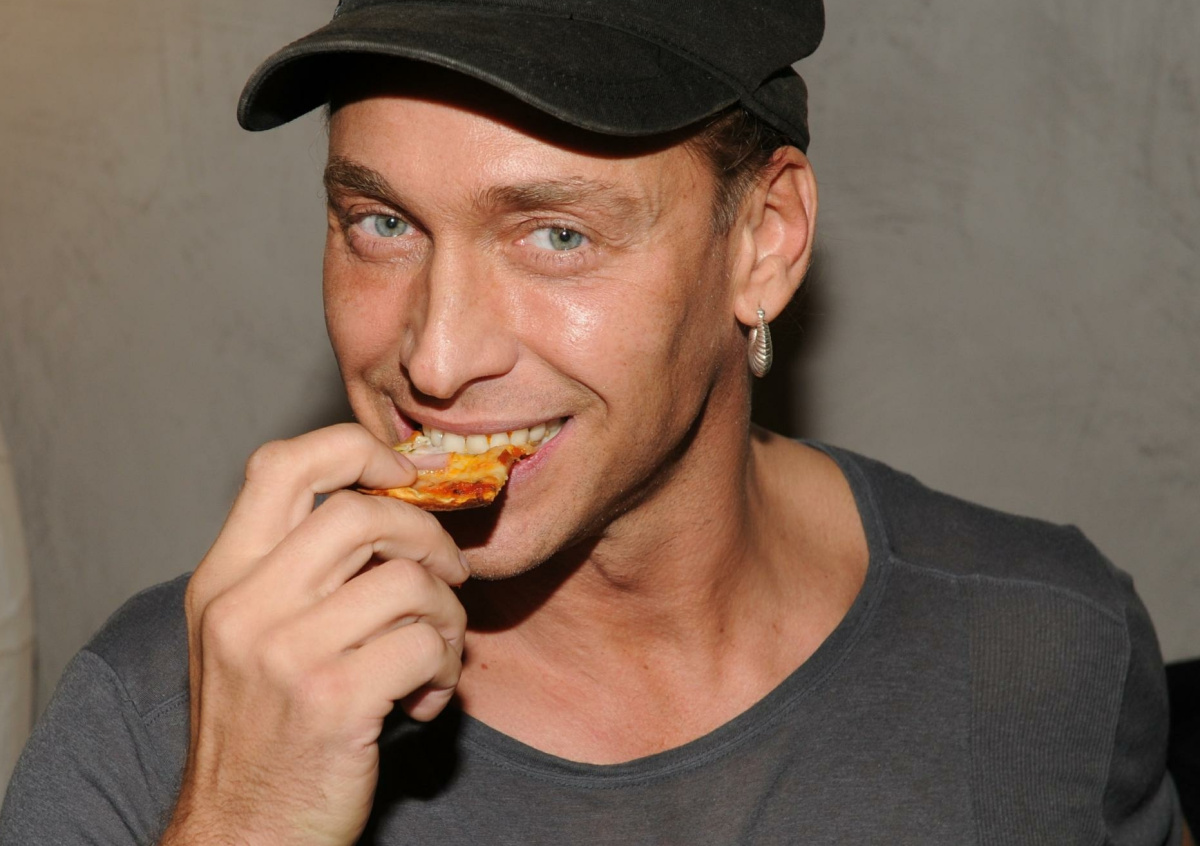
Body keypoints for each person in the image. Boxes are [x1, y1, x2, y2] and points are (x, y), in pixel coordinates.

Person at [0, 0, 1189, 843]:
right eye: (381, 224)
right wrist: (243, 822)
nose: (435, 355)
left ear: (764, 242)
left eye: (557, 235)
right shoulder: (171, 720)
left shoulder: (1049, 647)